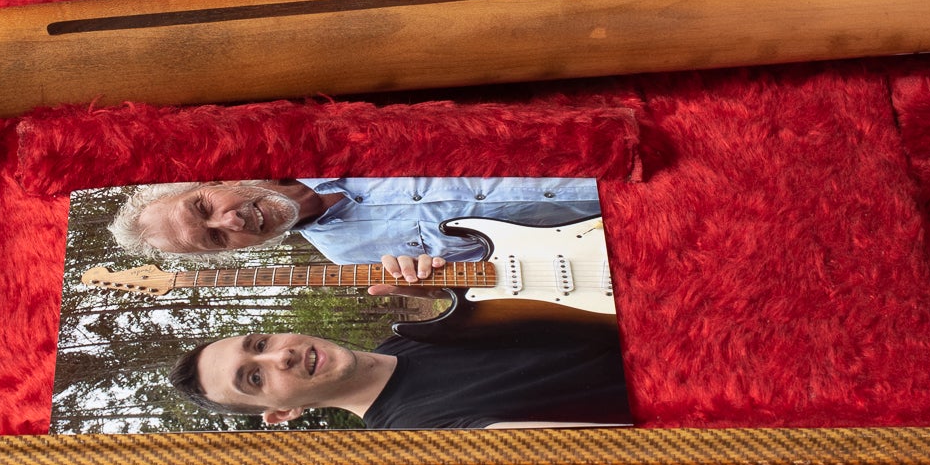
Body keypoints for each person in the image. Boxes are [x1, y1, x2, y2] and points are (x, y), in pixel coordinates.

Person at [108, 177, 602, 283]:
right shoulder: (351, 259)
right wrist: (440, 279)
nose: (231, 220)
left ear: (214, 181)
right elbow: (511, 270)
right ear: (235, 252)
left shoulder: (336, 132)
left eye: (204, 206)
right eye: (216, 237)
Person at [166, 322, 632, 431]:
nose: (280, 356)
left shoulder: (415, 333)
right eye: (255, 379)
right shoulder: (420, 436)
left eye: (260, 344)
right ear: (283, 413)